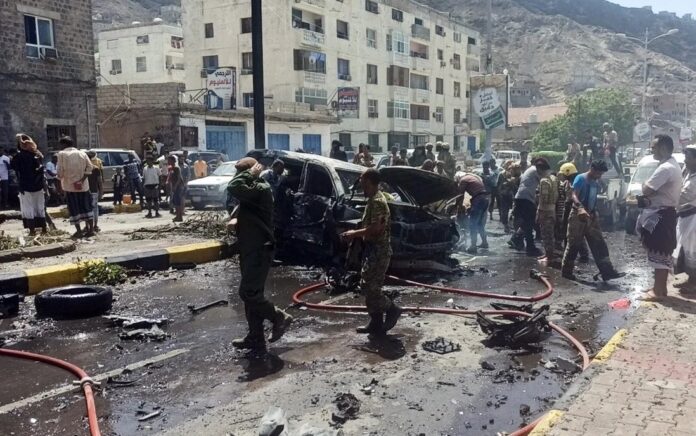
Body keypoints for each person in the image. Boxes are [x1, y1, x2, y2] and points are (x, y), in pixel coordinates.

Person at [228, 157, 293, 350]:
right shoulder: (252, 189)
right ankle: (255, 335)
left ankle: (279, 317)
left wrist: (251, 173)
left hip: (259, 248)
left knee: (247, 292)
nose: (236, 176)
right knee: (253, 295)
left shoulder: (260, 188)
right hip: (249, 248)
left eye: (241, 172)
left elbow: (233, 187)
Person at [341, 168, 401, 336]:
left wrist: (354, 234)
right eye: (362, 185)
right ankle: (376, 322)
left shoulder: (378, 202)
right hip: (372, 249)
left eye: (366, 185)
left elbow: (377, 229)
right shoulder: (372, 200)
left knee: (371, 288)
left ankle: (392, 309)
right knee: (367, 285)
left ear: (375, 184)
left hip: (379, 251)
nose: (363, 189)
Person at [561, 160, 625, 281]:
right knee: (574, 245)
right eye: (598, 173)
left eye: (601, 174)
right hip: (578, 216)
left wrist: (594, 211)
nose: (599, 176)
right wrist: (580, 208)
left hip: (590, 216)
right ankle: (567, 272)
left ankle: (607, 271)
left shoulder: (595, 182)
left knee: (599, 243)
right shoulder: (581, 178)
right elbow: (573, 194)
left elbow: (592, 197)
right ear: (592, 169)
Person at [637, 134, 682, 301]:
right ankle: (660, 288)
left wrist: (645, 186)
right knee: (660, 252)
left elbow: (646, 190)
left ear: (663, 148)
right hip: (665, 213)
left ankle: (658, 291)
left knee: (659, 252)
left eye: (654, 146)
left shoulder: (665, 168)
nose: (651, 149)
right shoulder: (671, 165)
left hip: (660, 215)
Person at [509, 158, 549, 256]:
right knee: (530, 222)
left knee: (528, 221)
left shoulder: (531, 170)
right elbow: (545, 179)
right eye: (543, 169)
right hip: (525, 198)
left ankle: (516, 238)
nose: (544, 172)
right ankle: (530, 247)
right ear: (540, 168)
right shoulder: (534, 171)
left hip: (523, 198)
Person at [57, 136, 94, 238]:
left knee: (74, 209)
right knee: (87, 207)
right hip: (83, 186)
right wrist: (82, 180)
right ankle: (91, 230)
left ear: (64, 144)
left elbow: (59, 171)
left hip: (69, 187)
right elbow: (90, 167)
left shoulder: (62, 154)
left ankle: (79, 231)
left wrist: (59, 180)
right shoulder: (82, 153)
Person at [12, 134, 47, 235]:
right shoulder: (38, 155)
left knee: (28, 207)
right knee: (40, 207)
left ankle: (32, 230)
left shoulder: (18, 157)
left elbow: (14, 167)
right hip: (38, 185)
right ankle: (44, 229)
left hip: (25, 186)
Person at [673, 145, 696, 292]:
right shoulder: (687, 172)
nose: (685, 160)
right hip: (684, 218)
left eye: (688, 158)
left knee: (693, 251)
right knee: (685, 250)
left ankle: (693, 284)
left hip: (693, 219)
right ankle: (690, 279)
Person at [558, 163, 589, 262]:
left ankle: (572, 256)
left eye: (563, 174)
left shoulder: (572, 183)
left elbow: (570, 197)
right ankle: (583, 254)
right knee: (577, 233)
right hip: (576, 207)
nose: (562, 176)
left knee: (571, 233)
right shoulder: (575, 181)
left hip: (572, 208)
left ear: (568, 173)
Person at [456, 172, 490, 254]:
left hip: (478, 199)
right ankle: (484, 243)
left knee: (472, 224)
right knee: (480, 224)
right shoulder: (473, 177)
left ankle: (473, 246)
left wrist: (457, 206)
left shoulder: (463, 180)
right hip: (485, 199)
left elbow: (460, 195)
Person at [537, 170, 560, 264]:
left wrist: (539, 212)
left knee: (546, 233)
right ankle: (548, 254)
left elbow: (544, 198)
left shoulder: (544, 181)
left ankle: (549, 256)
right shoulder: (554, 179)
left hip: (545, 210)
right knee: (549, 233)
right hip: (552, 210)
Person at [497, 161, 520, 233]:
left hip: (514, 196)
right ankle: (506, 226)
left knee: (514, 212)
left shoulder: (517, 176)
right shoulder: (502, 174)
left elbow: (517, 186)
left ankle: (513, 227)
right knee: (505, 211)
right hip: (505, 196)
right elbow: (499, 186)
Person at [86, 151, 103, 232]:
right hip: (94, 191)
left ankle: (88, 226)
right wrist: (101, 192)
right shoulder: (95, 168)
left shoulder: (84, 168)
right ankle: (95, 225)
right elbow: (99, 182)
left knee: (87, 209)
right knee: (94, 209)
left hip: (86, 191)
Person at [168, 156, 185, 222]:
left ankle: (179, 216)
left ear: (173, 161)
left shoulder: (176, 168)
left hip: (178, 187)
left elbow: (178, 178)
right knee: (175, 202)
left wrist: (175, 186)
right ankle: (178, 216)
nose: (168, 162)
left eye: (169, 160)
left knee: (178, 202)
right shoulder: (171, 168)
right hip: (175, 187)